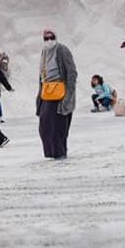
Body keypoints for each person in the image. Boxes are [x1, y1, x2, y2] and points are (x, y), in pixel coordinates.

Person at [38, 29, 78, 159]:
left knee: (58, 127)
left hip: (61, 92)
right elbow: (41, 75)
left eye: (51, 37)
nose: (49, 40)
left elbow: (72, 72)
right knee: (45, 126)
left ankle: (60, 153)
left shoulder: (62, 50)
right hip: (47, 92)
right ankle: (50, 153)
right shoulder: (44, 52)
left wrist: (68, 95)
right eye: (46, 38)